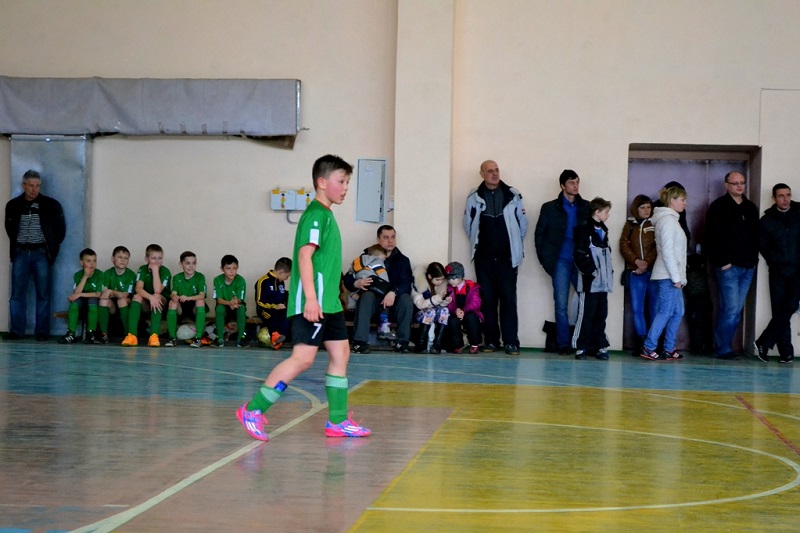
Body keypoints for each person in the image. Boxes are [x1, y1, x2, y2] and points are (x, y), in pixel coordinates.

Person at [236, 154, 370, 441]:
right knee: (302, 358)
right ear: (322, 182)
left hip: (329, 304)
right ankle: (253, 409)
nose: (346, 188)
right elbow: (304, 256)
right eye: (341, 181)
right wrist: (311, 298)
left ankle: (337, 421)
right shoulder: (315, 215)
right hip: (314, 303)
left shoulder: (327, 215)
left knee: (341, 354)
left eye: (348, 182)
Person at [464, 160, 528, 355]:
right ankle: (491, 341)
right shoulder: (474, 197)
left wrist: (514, 246)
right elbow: (468, 225)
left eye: (496, 170)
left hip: (508, 259)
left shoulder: (512, 195)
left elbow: (522, 224)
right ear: (482, 174)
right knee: (488, 301)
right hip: (484, 260)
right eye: (490, 171)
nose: (494, 174)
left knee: (508, 300)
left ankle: (511, 342)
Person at [4, 169, 66, 340]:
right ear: (23, 186)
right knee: (17, 294)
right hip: (21, 252)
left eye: (37, 185)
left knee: (43, 294)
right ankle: (16, 331)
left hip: (41, 253)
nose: (34, 189)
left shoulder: (51, 205)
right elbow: (10, 229)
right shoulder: (13, 205)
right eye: (31, 185)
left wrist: (49, 250)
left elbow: (60, 231)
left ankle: (42, 332)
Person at [534, 169, 590, 355]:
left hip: (580, 261)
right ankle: (564, 344)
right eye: (571, 182)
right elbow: (539, 234)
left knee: (586, 302)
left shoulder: (586, 206)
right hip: (560, 261)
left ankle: (583, 342)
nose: (576, 186)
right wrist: (545, 260)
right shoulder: (549, 208)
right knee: (560, 304)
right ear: (562, 186)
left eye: (577, 182)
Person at [705, 171, 760, 359]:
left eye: (742, 182)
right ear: (726, 185)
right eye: (735, 183)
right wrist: (723, 262)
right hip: (728, 267)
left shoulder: (750, 208)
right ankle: (723, 348)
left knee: (734, 310)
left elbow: (756, 236)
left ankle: (722, 346)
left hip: (748, 267)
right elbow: (712, 237)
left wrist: (753, 261)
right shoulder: (718, 207)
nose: (739, 186)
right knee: (731, 310)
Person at [343, 225, 414, 354]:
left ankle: (402, 342)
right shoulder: (366, 257)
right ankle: (359, 343)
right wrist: (356, 283)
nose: (390, 241)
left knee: (406, 299)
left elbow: (406, 283)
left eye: (393, 237)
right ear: (378, 239)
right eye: (386, 237)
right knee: (367, 295)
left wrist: (393, 292)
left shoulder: (402, 260)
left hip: (393, 304)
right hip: (372, 304)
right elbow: (348, 278)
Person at [640, 186, 688, 361]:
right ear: (672, 201)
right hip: (668, 275)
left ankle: (668, 348)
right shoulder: (668, 221)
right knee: (665, 311)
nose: (685, 203)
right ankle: (649, 346)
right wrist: (676, 277)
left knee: (677, 311)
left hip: (674, 275)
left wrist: (679, 277)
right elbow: (667, 252)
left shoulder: (672, 220)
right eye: (682, 200)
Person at [754, 183, 800, 364]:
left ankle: (764, 342)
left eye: (788, 195)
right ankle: (786, 353)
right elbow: (763, 246)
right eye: (781, 196)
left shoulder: (798, 215)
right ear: (774, 198)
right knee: (780, 310)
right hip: (777, 271)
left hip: (797, 271)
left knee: (789, 307)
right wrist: (774, 261)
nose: (785, 199)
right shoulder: (766, 221)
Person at [572, 198, 614, 360]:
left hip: (603, 282)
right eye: (606, 212)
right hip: (590, 283)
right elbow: (579, 255)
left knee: (601, 315)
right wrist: (591, 272)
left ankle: (600, 346)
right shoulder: (584, 230)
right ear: (597, 212)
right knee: (586, 315)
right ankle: (580, 347)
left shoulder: (604, 230)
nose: (608, 215)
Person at [619, 195, 657, 351]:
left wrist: (646, 262)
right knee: (637, 308)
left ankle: (653, 342)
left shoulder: (655, 223)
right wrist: (636, 261)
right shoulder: (630, 225)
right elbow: (623, 245)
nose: (646, 210)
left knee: (654, 308)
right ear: (636, 209)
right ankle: (642, 341)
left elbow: (657, 246)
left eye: (648, 207)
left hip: (653, 272)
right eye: (642, 207)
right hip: (635, 272)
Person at [121, 244, 171, 347]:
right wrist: (150, 297)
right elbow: (138, 288)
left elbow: (157, 290)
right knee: (137, 296)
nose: (157, 261)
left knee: (157, 296)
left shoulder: (165, 271)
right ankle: (132, 336)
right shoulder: (143, 269)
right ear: (146, 259)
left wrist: (155, 271)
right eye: (153, 258)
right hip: (147, 302)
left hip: (163, 304)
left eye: (160, 258)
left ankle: (154, 336)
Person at [346, 244, 395, 340]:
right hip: (372, 286)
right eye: (384, 259)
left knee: (355, 295)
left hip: (360, 287)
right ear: (377, 257)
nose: (384, 261)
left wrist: (357, 282)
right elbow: (383, 277)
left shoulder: (358, 262)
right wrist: (389, 288)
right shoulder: (377, 262)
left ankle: (352, 306)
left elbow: (350, 274)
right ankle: (384, 326)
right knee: (384, 300)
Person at [58, 248, 104, 344]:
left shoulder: (100, 274)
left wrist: (80, 294)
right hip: (82, 303)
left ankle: (91, 333)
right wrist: (85, 277)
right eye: (88, 261)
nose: (92, 264)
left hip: (94, 303)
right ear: (82, 262)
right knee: (74, 303)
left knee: (92, 300)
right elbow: (76, 293)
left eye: (94, 261)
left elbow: (98, 294)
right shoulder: (78, 275)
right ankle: (71, 334)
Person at [165, 251, 207, 348]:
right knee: (172, 302)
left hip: (194, 308)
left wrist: (189, 298)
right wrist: (175, 297)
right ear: (181, 264)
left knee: (200, 301)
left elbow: (202, 295)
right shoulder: (177, 277)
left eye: (194, 263)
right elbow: (173, 293)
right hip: (181, 308)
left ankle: (198, 338)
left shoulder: (200, 277)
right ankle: (172, 338)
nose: (191, 266)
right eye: (188, 263)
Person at [97, 246, 136, 344]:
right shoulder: (107, 273)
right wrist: (113, 293)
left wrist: (112, 292)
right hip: (113, 305)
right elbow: (104, 294)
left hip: (126, 304)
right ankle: (104, 334)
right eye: (120, 257)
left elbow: (125, 295)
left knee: (121, 300)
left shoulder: (131, 275)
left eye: (126, 258)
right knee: (103, 301)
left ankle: (128, 334)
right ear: (113, 259)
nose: (123, 260)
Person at [411, 262, 452, 353]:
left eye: (442, 280)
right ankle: (421, 343)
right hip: (418, 313)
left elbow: (438, 305)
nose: (440, 282)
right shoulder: (419, 284)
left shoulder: (439, 286)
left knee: (445, 310)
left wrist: (444, 300)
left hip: (432, 312)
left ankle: (437, 344)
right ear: (430, 276)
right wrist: (438, 298)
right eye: (438, 280)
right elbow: (420, 305)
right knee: (430, 312)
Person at [443, 261, 483, 354]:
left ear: (461, 276)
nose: (451, 281)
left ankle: (474, 343)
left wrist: (464, 311)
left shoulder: (472, 287)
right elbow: (450, 304)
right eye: (449, 278)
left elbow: (475, 303)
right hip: (456, 313)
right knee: (452, 321)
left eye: (454, 278)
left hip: (470, 312)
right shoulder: (449, 288)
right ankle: (457, 345)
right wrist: (455, 310)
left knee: (471, 319)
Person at [255, 257, 291, 350]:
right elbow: (259, 301)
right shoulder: (263, 281)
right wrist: (274, 306)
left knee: (287, 315)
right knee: (274, 317)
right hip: (265, 310)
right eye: (287, 276)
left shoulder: (281, 283)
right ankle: (275, 338)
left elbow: (282, 297)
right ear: (281, 272)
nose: (287, 279)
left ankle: (282, 338)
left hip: (278, 309)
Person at [213, 254, 248, 348]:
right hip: (224, 304)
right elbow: (219, 300)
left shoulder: (240, 280)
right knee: (219, 309)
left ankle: (241, 338)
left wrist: (235, 301)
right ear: (222, 269)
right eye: (228, 268)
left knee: (241, 308)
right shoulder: (217, 280)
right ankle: (219, 338)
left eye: (234, 268)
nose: (232, 271)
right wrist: (230, 303)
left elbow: (240, 299)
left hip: (236, 305)